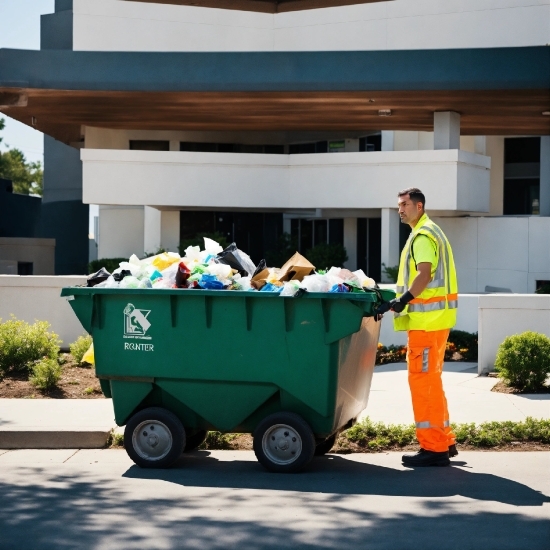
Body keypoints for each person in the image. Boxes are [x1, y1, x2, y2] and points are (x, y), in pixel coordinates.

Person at [376, 187, 458, 467]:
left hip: (426, 323)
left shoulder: (423, 235)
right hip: (436, 322)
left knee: (422, 383)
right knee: (432, 381)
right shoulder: (431, 230)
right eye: (398, 204)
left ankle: (434, 448)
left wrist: (402, 300)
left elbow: (424, 274)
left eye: (405, 204)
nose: (400, 209)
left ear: (419, 206)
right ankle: (444, 440)